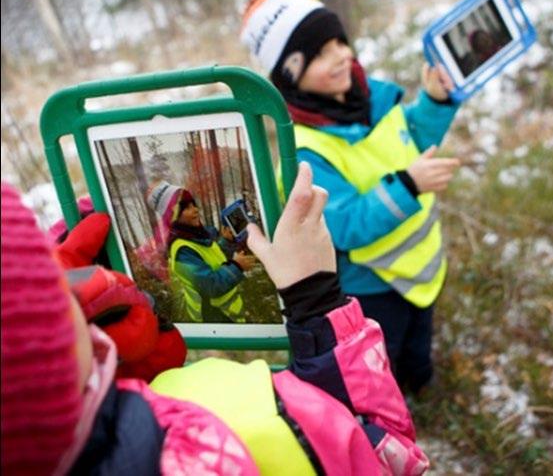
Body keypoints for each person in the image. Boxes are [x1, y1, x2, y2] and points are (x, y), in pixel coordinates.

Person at [1, 165, 429, 475]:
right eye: (52, 285)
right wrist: (313, 296)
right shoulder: (243, 436)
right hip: (220, 312)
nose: (194, 213)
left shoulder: (53, 428)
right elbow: (383, 453)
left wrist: (111, 359)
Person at [241, 0, 461, 393]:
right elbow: (345, 225)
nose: (342, 54)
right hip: (374, 285)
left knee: (419, 341)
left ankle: (423, 382)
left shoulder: (373, 100)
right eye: (321, 53)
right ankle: (393, 404)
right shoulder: (307, 152)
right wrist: (409, 184)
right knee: (384, 357)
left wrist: (433, 102)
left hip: (421, 266)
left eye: (340, 41)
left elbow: (412, 136)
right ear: (291, 74)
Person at [147, 181, 255, 323]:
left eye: (193, 204)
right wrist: (237, 267)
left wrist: (226, 241)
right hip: (214, 317)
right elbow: (210, 285)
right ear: (173, 216)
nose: (195, 210)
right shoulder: (182, 251)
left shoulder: (197, 235)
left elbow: (211, 257)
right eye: (186, 208)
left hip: (228, 312)